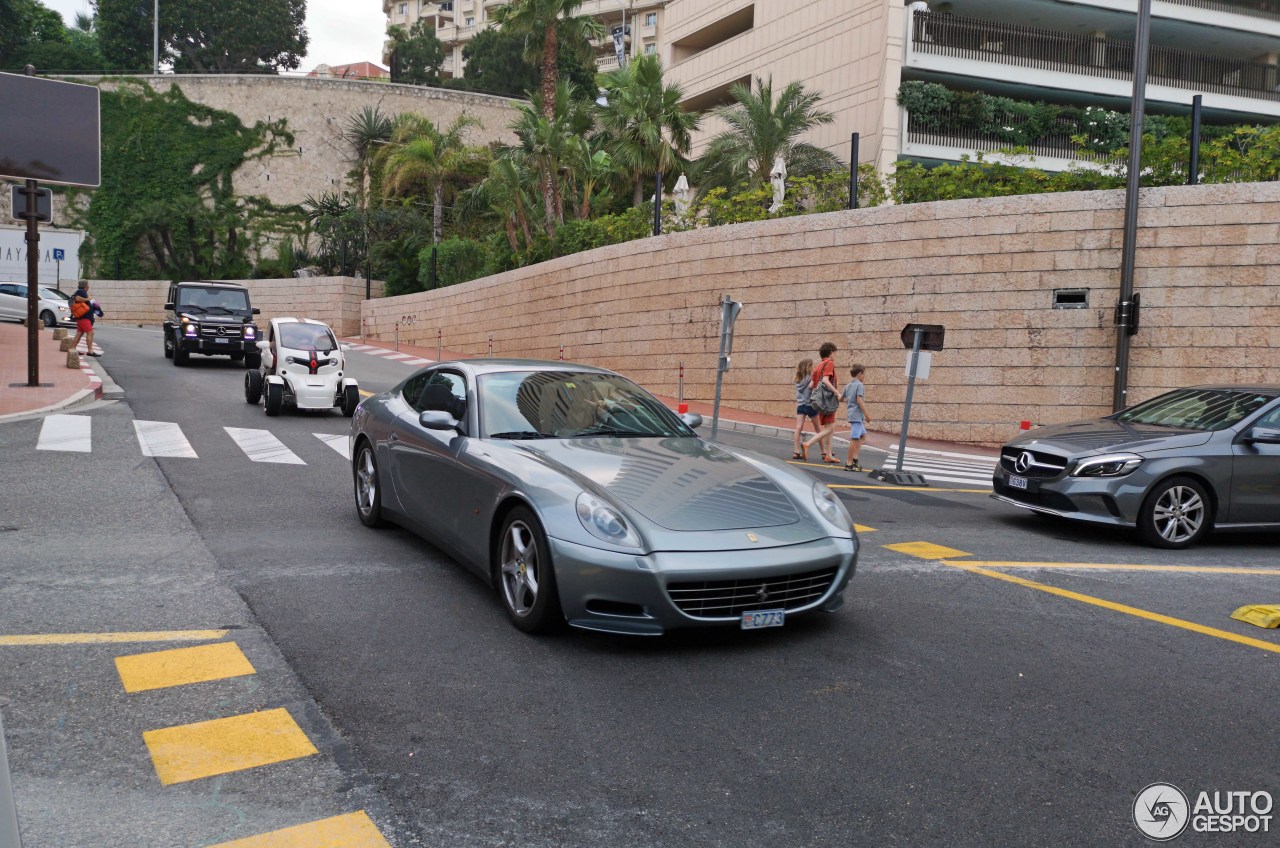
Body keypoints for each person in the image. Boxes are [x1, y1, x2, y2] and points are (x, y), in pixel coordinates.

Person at [802, 342, 840, 464]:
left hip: (819, 401)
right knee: (830, 427)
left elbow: (811, 385)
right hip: (828, 400)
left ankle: (828, 455)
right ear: (831, 352)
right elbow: (825, 380)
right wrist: (837, 393)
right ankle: (808, 444)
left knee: (829, 427)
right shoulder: (829, 363)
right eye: (835, 353)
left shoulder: (818, 366)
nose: (835, 355)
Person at [843, 365, 872, 471]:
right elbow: (859, 400)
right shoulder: (860, 385)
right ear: (859, 374)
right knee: (854, 438)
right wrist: (867, 415)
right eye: (864, 374)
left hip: (852, 414)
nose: (864, 376)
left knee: (863, 435)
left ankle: (855, 459)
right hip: (857, 416)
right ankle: (849, 463)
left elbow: (841, 398)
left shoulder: (848, 386)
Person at [791, 357, 818, 459]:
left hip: (800, 406)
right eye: (812, 365)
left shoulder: (797, 379)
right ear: (808, 366)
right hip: (810, 405)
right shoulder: (810, 377)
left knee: (798, 428)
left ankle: (796, 451)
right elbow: (812, 386)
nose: (813, 367)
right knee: (819, 429)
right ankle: (825, 452)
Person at [70, 280, 97, 357]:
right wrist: (88, 299)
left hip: (82, 318)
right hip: (84, 318)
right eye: (88, 285)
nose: (88, 286)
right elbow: (77, 298)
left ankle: (73, 348)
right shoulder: (80, 291)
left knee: (79, 334)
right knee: (90, 332)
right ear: (86, 286)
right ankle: (90, 351)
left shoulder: (81, 292)